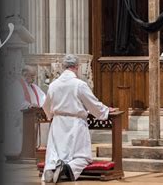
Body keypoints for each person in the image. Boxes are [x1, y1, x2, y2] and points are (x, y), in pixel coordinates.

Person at [42, 54, 116, 183]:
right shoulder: (79, 84)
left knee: (55, 153)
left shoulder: (53, 85)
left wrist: (51, 115)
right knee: (82, 156)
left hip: (58, 124)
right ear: (76, 67)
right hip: (75, 124)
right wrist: (105, 110)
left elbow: (46, 106)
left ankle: (51, 168)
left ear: (63, 67)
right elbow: (92, 103)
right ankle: (67, 168)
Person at [3, 65, 46, 159]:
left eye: (34, 76)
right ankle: (16, 156)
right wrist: (29, 105)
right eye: (32, 75)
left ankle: (29, 154)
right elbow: (16, 102)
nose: (34, 78)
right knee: (18, 143)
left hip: (32, 118)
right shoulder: (16, 86)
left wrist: (43, 105)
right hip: (20, 120)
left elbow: (43, 98)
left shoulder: (34, 87)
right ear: (25, 74)